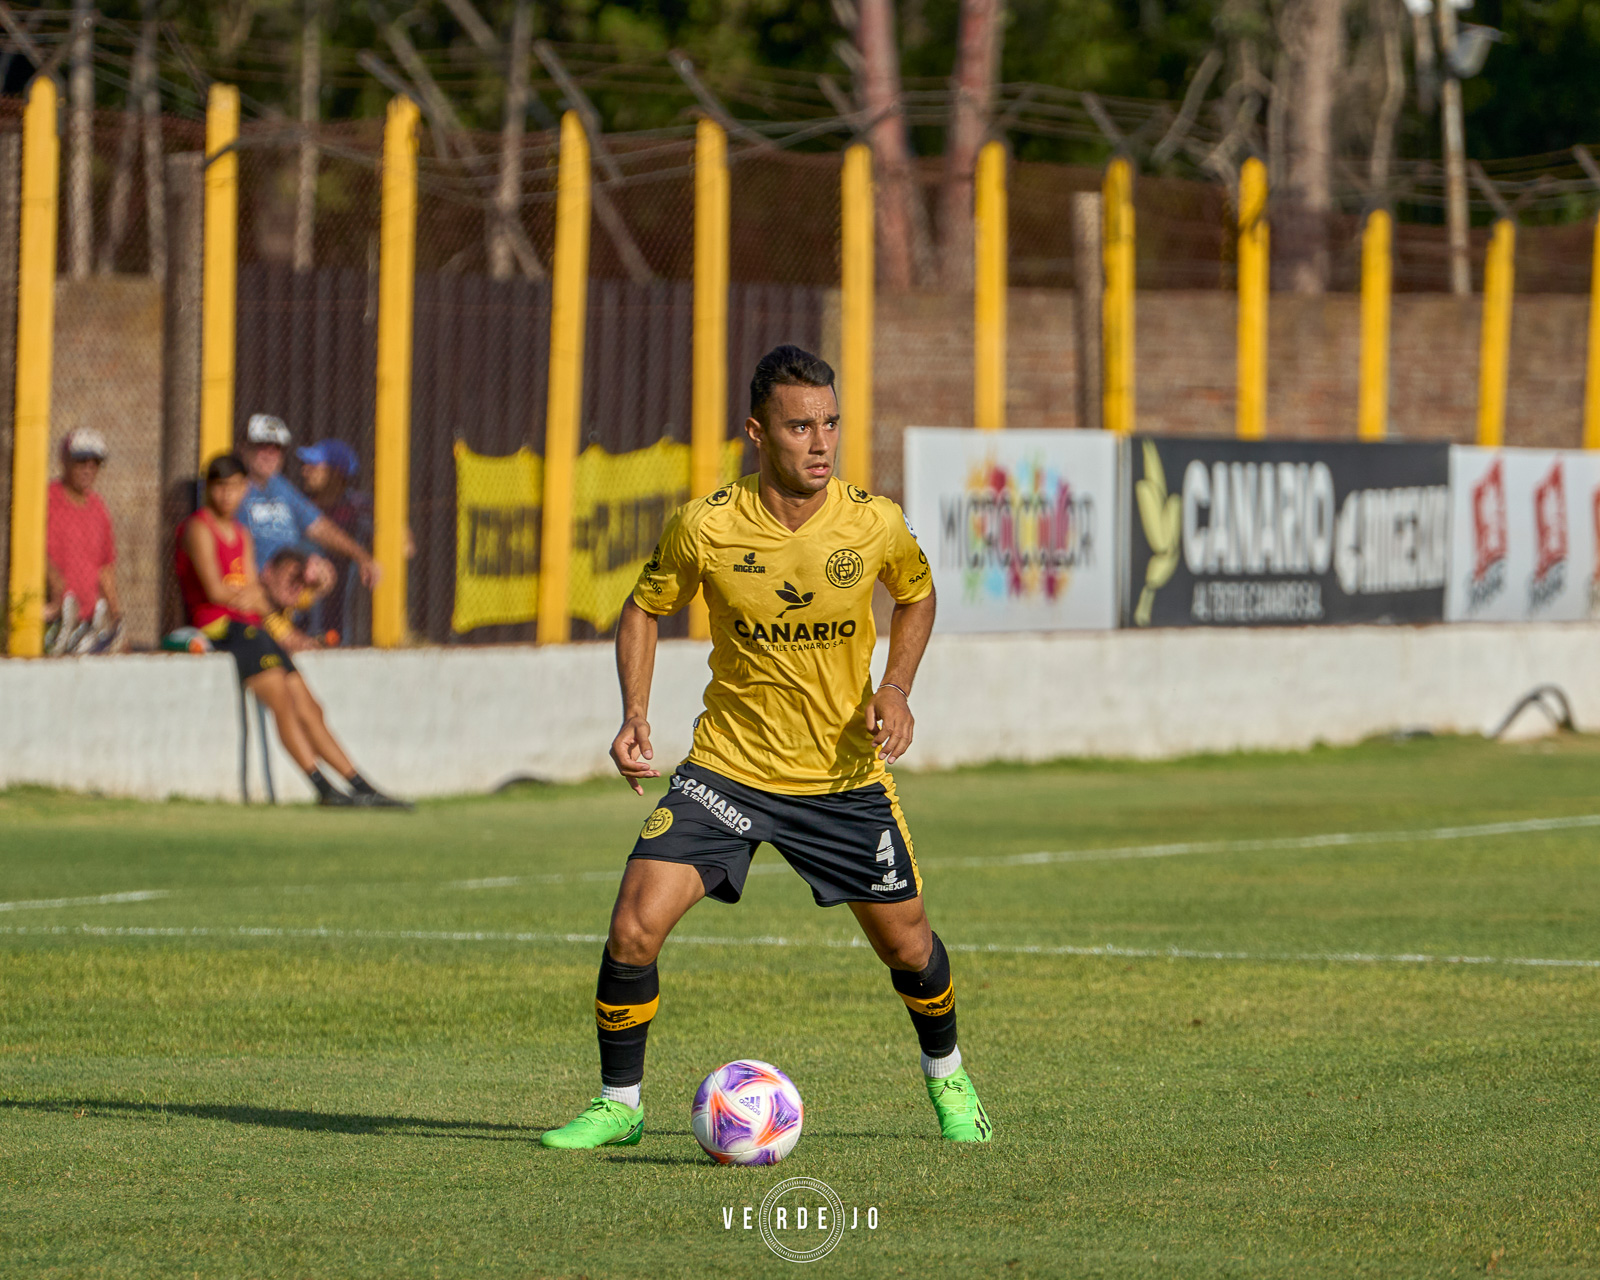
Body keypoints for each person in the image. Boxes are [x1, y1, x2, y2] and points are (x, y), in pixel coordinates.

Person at [541, 346, 990, 1151]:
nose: (820, 443)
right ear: (757, 432)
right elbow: (643, 609)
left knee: (909, 945)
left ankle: (949, 1076)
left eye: (830, 424)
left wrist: (897, 689)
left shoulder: (873, 521)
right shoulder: (707, 524)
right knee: (634, 926)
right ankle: (620, 1104)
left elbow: (916, 593)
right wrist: (635, 712)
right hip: (728, 772)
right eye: (799, 426)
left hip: (842, 780)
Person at [175, 454, 408, 810]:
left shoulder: (241, 533)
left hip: (251, 624)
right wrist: (250, 597)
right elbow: (215, 591)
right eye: (219, 488)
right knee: (282, 701)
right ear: (210, 489)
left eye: (234, 488)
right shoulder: (199, 528)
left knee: (310, 706)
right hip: (223, 625)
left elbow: (254, 592)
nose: (227, 496)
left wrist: (276, 622)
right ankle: (323, 789)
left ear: (243, 489)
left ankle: (360, 784)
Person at [238, 414, 380, 602]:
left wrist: (361, 556)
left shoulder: (279, 486)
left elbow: (318, 526)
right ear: (243, 448)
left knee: (322, 570)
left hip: (290, 586)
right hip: (255, 590)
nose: (270, 454)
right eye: (262, 446)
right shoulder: (232, 486)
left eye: (277, 448)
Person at [44, 427, 124, 655]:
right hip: (54, 618)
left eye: (95, 462)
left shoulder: (99, 508)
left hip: (88, 621)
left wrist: (117, 618)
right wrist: (56, 590)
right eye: (81, 461)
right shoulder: (47, 499)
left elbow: (105, 568)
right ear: (64, 460)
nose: (88, 469)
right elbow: (35, 552)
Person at [297, 438, 373, 644]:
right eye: (305, 465)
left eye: (313, 466)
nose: (305, 471)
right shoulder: (300, 504)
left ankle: (341, 640)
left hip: (346, 588)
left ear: (335, 473)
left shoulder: (359, 506)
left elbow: (404, 544)